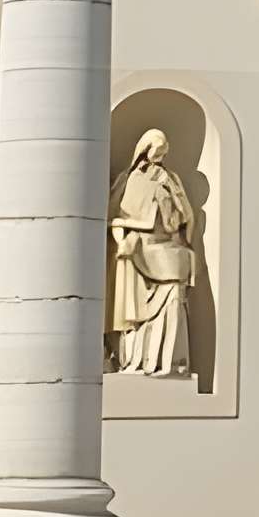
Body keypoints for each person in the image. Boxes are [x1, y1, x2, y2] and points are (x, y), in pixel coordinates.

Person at [106, 128, 197, 376]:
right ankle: (133, 361)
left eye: (163, 155)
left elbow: (183, 218)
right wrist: (123, 237)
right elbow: (114, 216)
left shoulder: (169, 180)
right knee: (133, 313)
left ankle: (168, 363)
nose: (159, 161)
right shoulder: (128, 181)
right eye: (156, 154)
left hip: (165, 250)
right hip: (136, 253)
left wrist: (171, 190)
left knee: (174, 294)